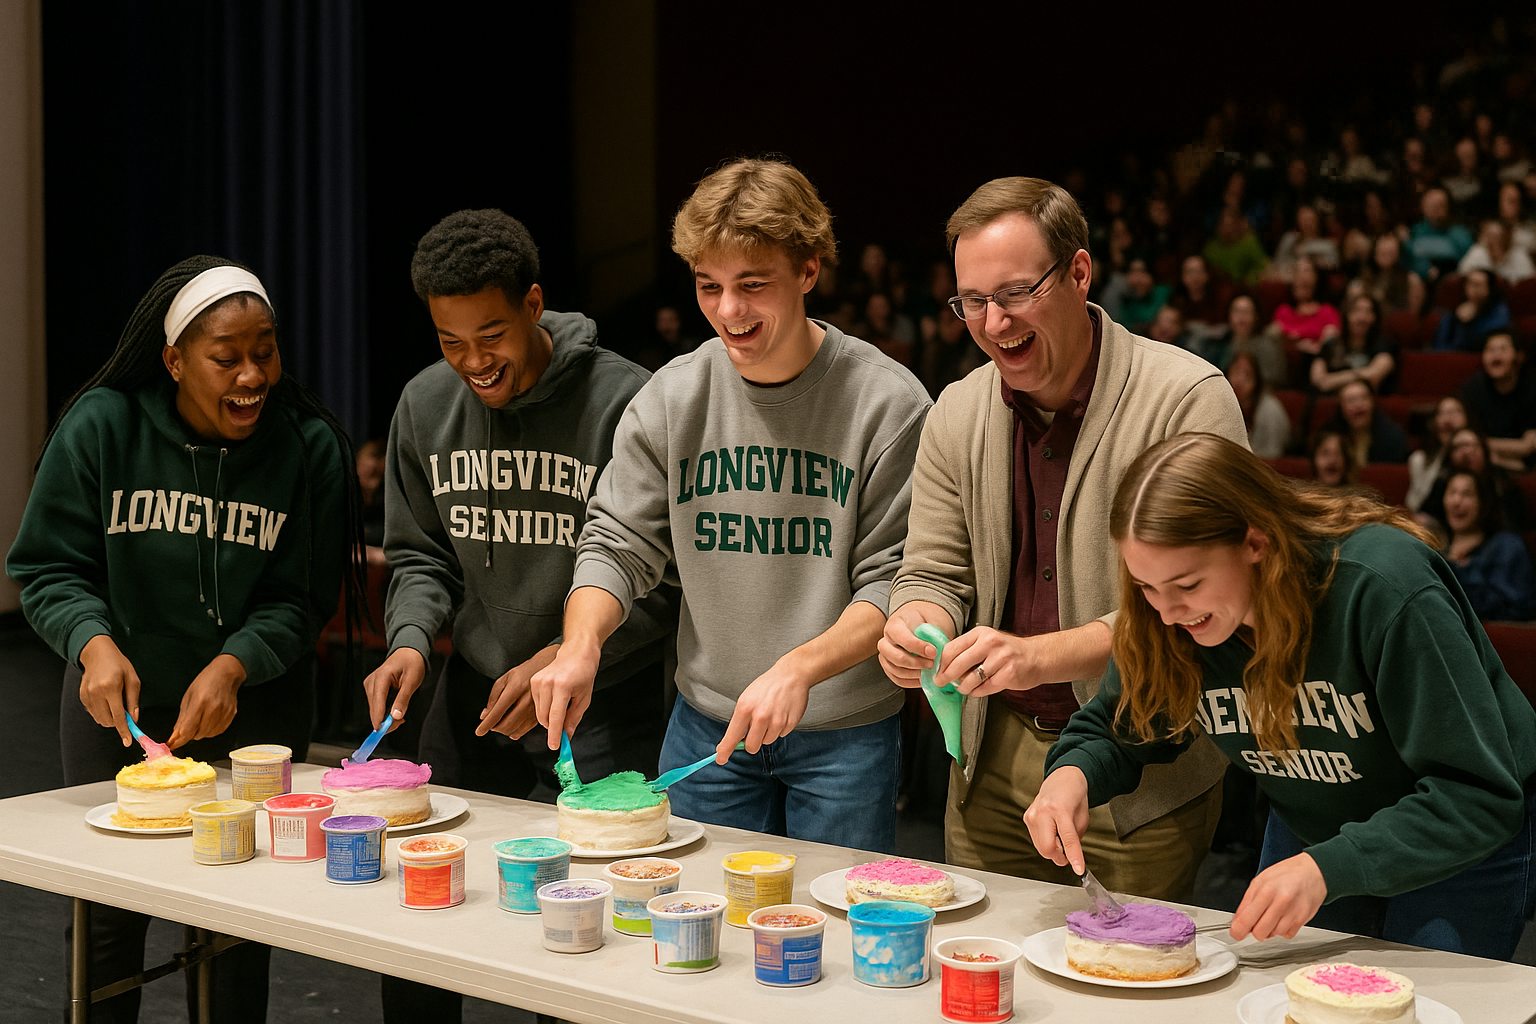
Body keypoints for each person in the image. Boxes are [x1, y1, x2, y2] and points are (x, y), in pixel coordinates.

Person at [531, 158, 931, 852]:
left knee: (830, 939)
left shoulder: (888, 404)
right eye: (708, 287)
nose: (728, 311)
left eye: (753, 285)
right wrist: (581, 643)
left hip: (843, 735)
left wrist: (798, 668)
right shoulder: (671, 397)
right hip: (706, 724)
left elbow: (895, 583)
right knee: (694, 935)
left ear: (808, 271)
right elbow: (617, 544)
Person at [6, 256, 363, 1024]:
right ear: (173, 360)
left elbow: (302, 600)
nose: (252, 375)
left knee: (234, 921)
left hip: (255, 710)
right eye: (226, 357)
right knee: (106, 916)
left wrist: (236, 662)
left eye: (264, 350)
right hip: (117, 708)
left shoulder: (308, 448)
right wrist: (90, 642)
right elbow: (45, 567)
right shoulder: (104, 426)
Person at [1027, 433, 1536, 959]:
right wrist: (1072, 776)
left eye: (1189, 585)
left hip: (1454, 841)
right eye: (1147, 589)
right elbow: (1117, 726)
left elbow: (1478, 794)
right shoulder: (1166, 617)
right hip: (1314, 830)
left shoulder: (1384, 586)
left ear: (1255, 543)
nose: (1169, 612)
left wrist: (1327, 868)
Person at [877, 176, 1246, 899]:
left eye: (1015, 293)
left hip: (1137, 762)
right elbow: (931, 571)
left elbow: (1198, 611)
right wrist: (915, 621)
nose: (992, 321)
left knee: (1124, 988)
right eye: (972, 302)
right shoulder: (955, 412)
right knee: (982, 991)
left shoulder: (1187, 398)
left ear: (1079, 273)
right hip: (988, 762)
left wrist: (1032, 655)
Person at [365, 209, 676, 1021]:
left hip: (602, 703)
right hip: (474, 694)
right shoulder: (425, 406)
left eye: (491, 335)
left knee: (580, 939)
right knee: (426, 903)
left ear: (535, 305)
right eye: (450, 341)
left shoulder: (628, 400)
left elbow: (666, 583)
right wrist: (408, 642)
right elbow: (421, 556)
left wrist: (558, 657)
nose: (474, 361)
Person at [1442, 470, 1536, 622]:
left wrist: (1459, 570)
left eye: (1467, 494)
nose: (1456, 501)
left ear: (1483, 502)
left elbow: (1515, 610)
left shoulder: (1507, 546)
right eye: (1452, 492)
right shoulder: (1436, 550)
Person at [1461, 330, 1536, 468]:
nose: (1496, 355)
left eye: (1503, 349)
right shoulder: (1473, 389)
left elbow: (1529, 446)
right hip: (1484, 462)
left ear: (1519, 356)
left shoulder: (1532, 389)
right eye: (1490, 350)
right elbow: (1466, 441)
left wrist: (1484, 444)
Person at [1309, 294, 1397, 395]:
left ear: (1375, 318)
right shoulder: (1331, 344)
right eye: (1356, 311)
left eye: (1368, 312)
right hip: (1330, 402)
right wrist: (1358, 375)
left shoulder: (1384, 345)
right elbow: (1317, 379)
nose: (1362, 318)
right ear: (1346, 315)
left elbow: (1373, 375)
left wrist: (1330, 380)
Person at [1268, 256, 1340, 358]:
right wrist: (1299, 346)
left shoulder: (1327, 312)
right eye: (1297, 272)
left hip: (1317, 361)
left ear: (1316, 278)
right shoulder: (1284, 312)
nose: (1301, 276)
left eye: (1306, 271)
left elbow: (1331, 343)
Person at [1407, 395, 1470, 512]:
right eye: (1442, 413)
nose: (1447, 419)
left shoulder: (1476, 454)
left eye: (1455, 412)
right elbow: (1415, 507)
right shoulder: (1418, 460)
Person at [1325, 378, 1408, 465]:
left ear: (1373, 402)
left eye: (1364, 398)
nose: (1358, 405)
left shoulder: (1393, 437)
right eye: (1351, 400)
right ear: (1340, 407)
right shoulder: (1329, 434)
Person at [1227, 352, 1290, 459]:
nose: (1239, 381)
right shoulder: (1227, 404)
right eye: (1236, 372)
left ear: (1256, 381)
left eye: (1247, 375)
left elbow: (1273, 456)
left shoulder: (1270, 409)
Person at [1408, 188, 1474, 280]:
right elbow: (1411, 258)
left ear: (1447, 207)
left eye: (1440, 205)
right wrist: (1425, 269)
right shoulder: (1416, 230)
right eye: (1431, 205)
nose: (1435, 209)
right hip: (1422, 280)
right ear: (1422, 206)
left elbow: (1470, 262)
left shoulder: (1460, 233)